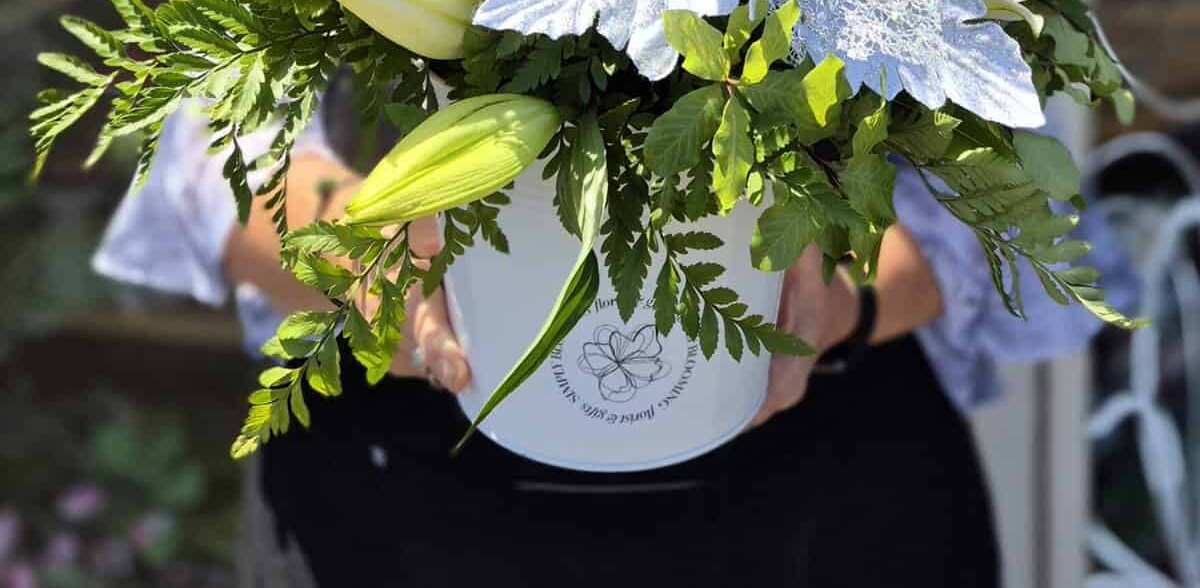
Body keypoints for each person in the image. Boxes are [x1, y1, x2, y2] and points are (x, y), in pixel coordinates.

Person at [95, 96, 1128, 588]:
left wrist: (834, 294)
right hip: (399, 501)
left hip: (818, 483)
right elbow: (224, 150)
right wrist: (378, 264)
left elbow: (978, 203)